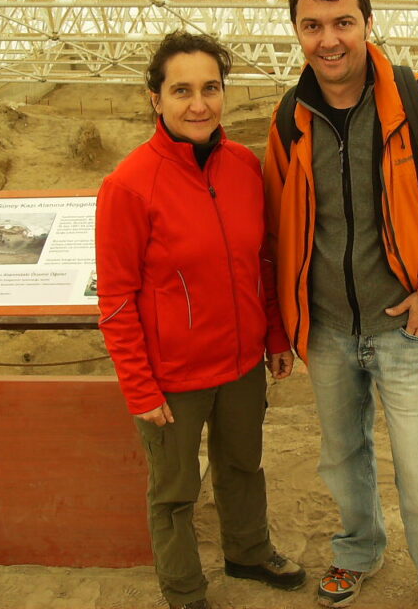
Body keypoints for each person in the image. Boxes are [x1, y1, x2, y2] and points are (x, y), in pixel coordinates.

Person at [263, 0, 418, 609]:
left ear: (369, 23)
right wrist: (284, 325)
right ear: (296, 32)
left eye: (343, 22)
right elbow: (280, 234)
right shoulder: (291, 121)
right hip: (331, 330)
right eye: (312, 26)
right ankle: (357, 550)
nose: (328, 39)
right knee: (342, 459)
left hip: (407, 327)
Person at [96, 31, 306, 609]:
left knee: (243, 465)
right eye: (181, 90)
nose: (199, 104)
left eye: (210, 88)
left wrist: (274, 335)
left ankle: (248, 551)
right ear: (154, 98)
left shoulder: (242, 165)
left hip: (240, 364)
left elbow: (260, 260)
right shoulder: (129, 186)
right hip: (173, 378)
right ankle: (185, 590)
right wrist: (140, 387)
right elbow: (116, 298)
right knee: (174, 492)